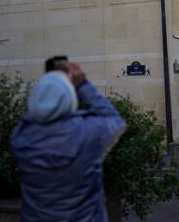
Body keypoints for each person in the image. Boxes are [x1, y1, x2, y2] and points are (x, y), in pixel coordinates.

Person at [11, 62, 125, 221]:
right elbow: (114, 120)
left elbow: (29, 118)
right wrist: (82, 84)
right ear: (69, 100)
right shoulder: (87, 132)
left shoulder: (21, 138)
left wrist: (43, 96)